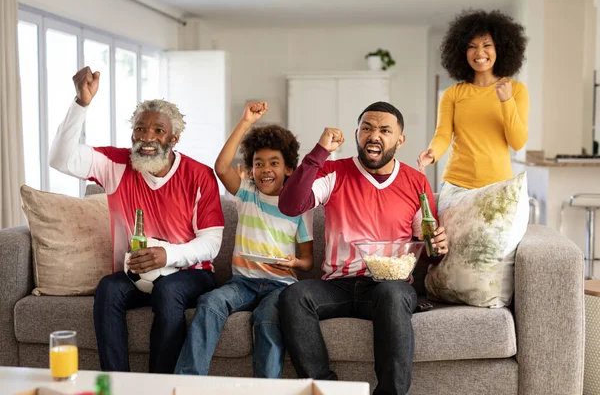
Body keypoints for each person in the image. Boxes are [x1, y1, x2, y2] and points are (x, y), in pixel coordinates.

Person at [49, 67, 224, 373]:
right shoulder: (116, 164)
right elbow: (60, 159)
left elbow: (212, 243)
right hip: (134, 274)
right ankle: (117, 384)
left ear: (174, 138)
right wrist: (81, 103)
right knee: (108, 288)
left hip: (191, 273)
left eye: (158, 130)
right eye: (140, 129)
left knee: (168, 292)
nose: (147, 137)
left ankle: (159, 385)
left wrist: (168, 254)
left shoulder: (199, 175)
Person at [277, 101, 448, 395]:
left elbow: (430, 250)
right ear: (357, 133)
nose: (374, 136)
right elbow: (290, 205)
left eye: (384, 130)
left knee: (393, 294)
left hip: (389, 287)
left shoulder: (415, 182)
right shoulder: (333, 172)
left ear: (400, 139)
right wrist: (319, 152)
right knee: (294, 295)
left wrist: (439, 247)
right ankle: (324, 389)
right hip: (337, 286)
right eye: (367, 128)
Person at [175, 102, 314, 378]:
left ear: (288, 169)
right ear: (251, 169)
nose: (265, 169)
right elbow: (221, 166)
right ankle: (188, 383)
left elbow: (308, 262)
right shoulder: (247, 195)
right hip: (242, 283)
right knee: (209, 303)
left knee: (266, 320)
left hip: (280, 286)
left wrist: (294, 262)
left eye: (274, 163)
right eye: (258, 163)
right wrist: (245, 122)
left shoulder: (300, 207)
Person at [418, 9, 529, 189]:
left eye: (487, 45)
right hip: (456, 183)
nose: (479, 52)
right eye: (471, 46)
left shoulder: (516, 90)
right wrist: (432, 153)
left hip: (497, 184)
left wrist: (506, 101)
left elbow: (517, 142)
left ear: (499, 48)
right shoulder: (452, 93)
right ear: (462, 52)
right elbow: (443, 134)